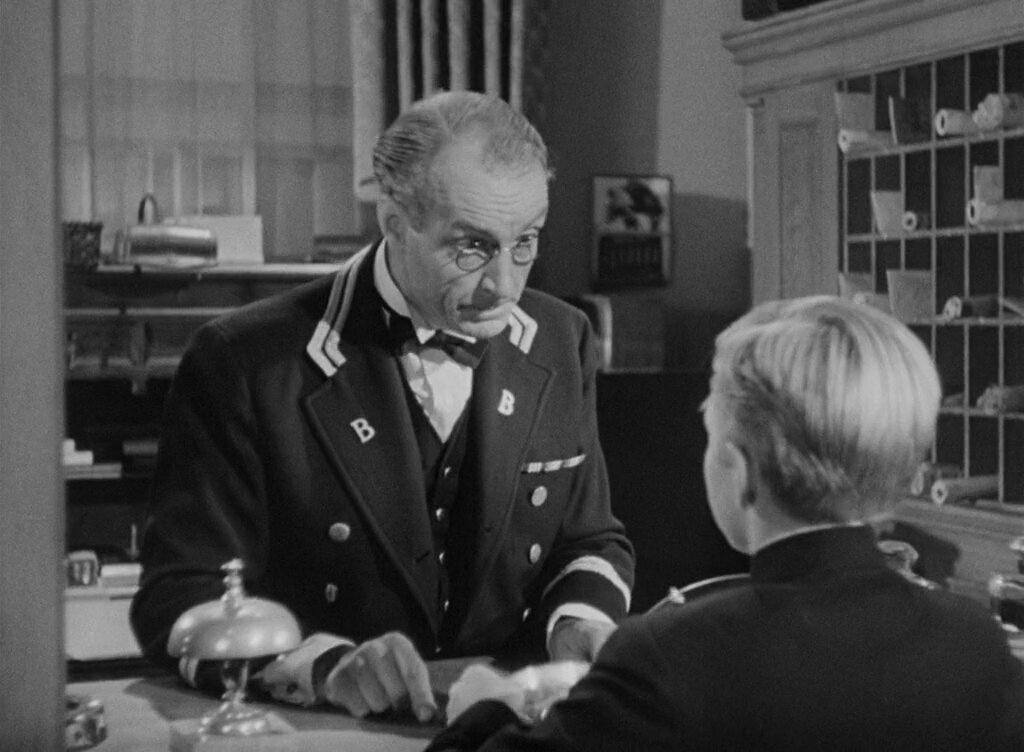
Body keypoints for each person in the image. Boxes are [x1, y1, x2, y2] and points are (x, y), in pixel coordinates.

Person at [129, 90, 635, 723]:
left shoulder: (561, 339)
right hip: (325, 730)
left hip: (502, 727)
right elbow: (178, 597)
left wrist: (577, 621)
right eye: (472, 246)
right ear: (394, 223)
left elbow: (589, 540)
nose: (505, 285)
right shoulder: (244, 361)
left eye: (526, 241)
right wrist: (322, 665)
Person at [430, 295, 1024, 751]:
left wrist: (488, 707)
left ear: (739, 473)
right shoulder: (977, 644)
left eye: (711, 437)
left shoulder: (667, 656)